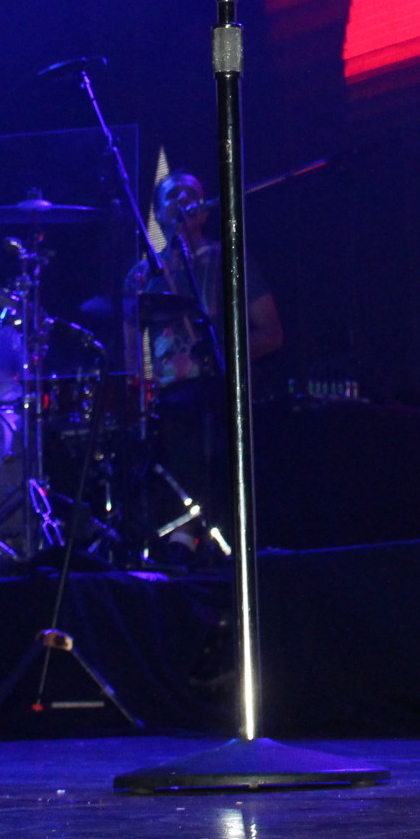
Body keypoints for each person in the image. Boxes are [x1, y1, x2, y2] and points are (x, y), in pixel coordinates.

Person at [122, 170, 282, 565]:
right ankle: (181, 540)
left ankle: (231, 540)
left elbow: (272, 333)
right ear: (158, 213)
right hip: (172, 399)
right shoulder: (141, 276)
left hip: (229, 388)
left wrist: (225, 357)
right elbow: (131, 355)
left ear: (205, 210)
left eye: (189, 194)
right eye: (171, 195)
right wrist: (140, 396)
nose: (181, 201)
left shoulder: (231, 259)